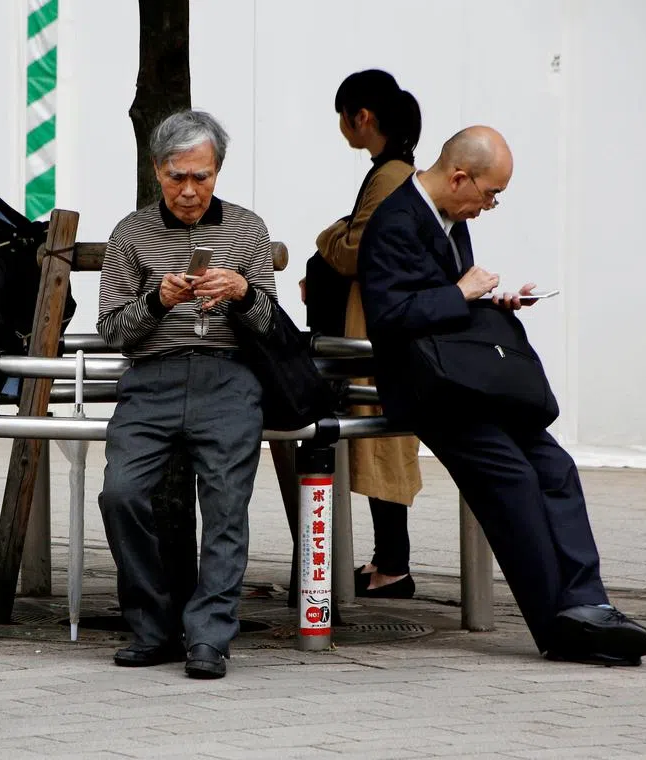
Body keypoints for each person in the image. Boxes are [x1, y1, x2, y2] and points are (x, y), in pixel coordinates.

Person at [358, 125, 646, 665]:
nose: (490, 206)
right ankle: (557, 626)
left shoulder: (450, 217)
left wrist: (493, 301)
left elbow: (448, 301)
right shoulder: (396, 221)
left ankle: (589, 603)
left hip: (468, 378)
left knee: (555, 466)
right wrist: (459, 293)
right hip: (431, 391)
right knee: (513, 479)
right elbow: (390, 318)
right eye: (490, 193)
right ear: (458, 177)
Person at [96, 110, 276, 680]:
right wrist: (157, 301)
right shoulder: (131, 232)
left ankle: (209, 637)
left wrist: (243, 292)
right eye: (177, 177)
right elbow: (112, 329)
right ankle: (153, 626)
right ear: (157, 171)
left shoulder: (248, 230)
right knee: (121, 494)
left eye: (201, 176)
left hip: (229, 377)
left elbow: (271, 325)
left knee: (226, 506)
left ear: (218, 171)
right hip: (152, 379)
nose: (190, 191)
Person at [314, 70, 424, 598]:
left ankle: (392, 566)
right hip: (381, 323)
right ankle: (389, 562)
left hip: (375, 326)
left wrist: (327, 233)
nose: (341, 128)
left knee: (380, 444)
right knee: (382, 444)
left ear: (362, 117)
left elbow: (357, 248)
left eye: (342, 117)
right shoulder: (397, 171)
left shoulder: (390, 176)